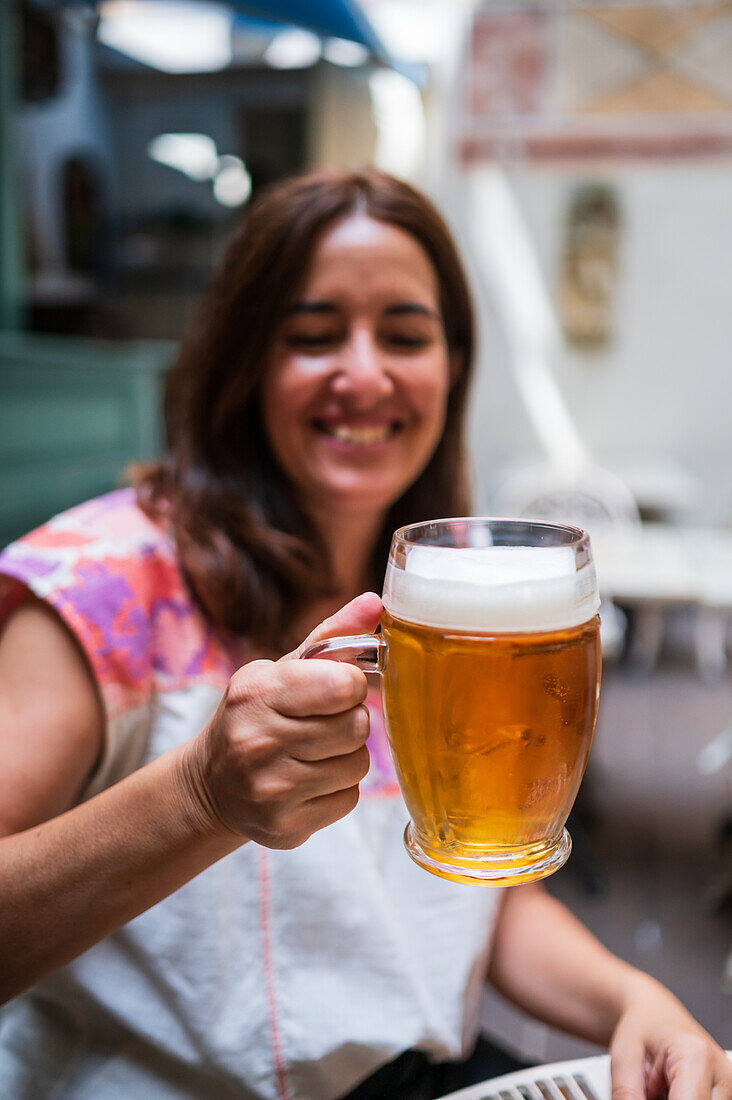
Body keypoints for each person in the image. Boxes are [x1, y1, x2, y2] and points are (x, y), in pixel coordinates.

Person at [0, 169, 728, 1100]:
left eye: (406, 335)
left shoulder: (443, 598)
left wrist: (639, 1001)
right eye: (312, 336)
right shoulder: (102, 579)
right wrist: (198, 795)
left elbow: (476, 896)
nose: (366, 371)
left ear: (452, 366)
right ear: (245, 361)